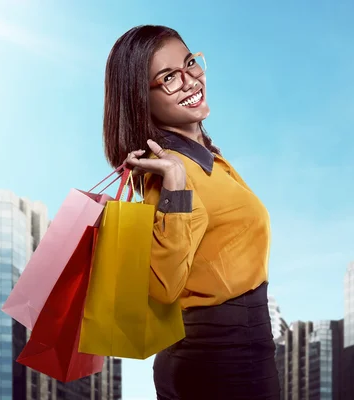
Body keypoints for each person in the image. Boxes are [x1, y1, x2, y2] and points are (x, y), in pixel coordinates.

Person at [102, 25, 280, 400]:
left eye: (189, 64)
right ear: (140, 99)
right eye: (167, 78)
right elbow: (163, 286)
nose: (189, 80)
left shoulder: (209, 159)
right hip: (217, 360)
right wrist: (175, 187)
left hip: (242, 352)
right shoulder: (168, 171)